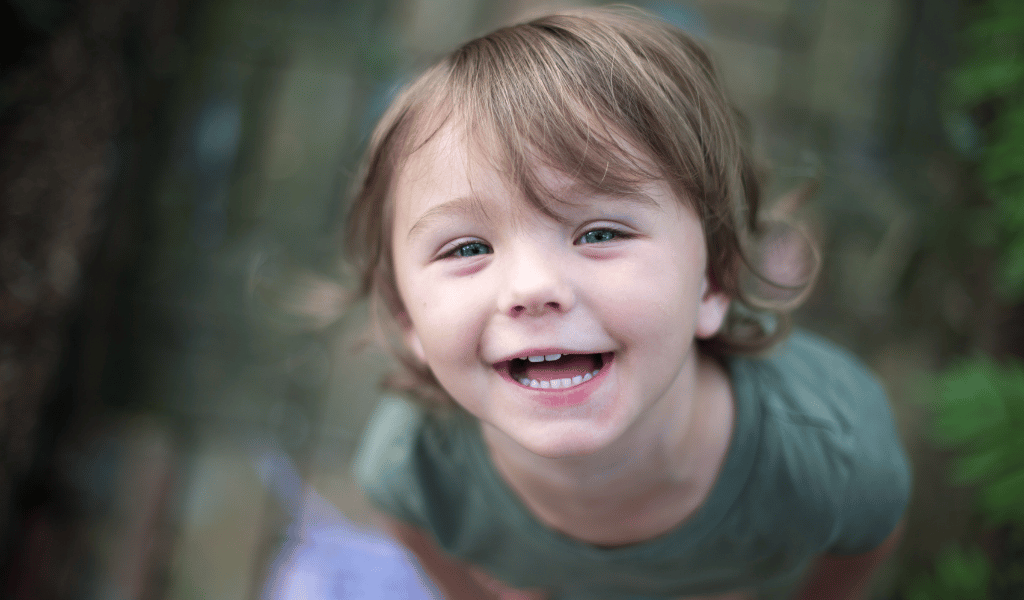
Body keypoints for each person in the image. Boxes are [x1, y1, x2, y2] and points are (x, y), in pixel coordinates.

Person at [345, 6, 911, 599]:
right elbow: (410, 530)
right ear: (407, 315)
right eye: (467, 247)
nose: (533, 287)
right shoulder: (409, 465)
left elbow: (864, 543)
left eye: (600, 233)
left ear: (713, 281)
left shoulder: (833, 458)